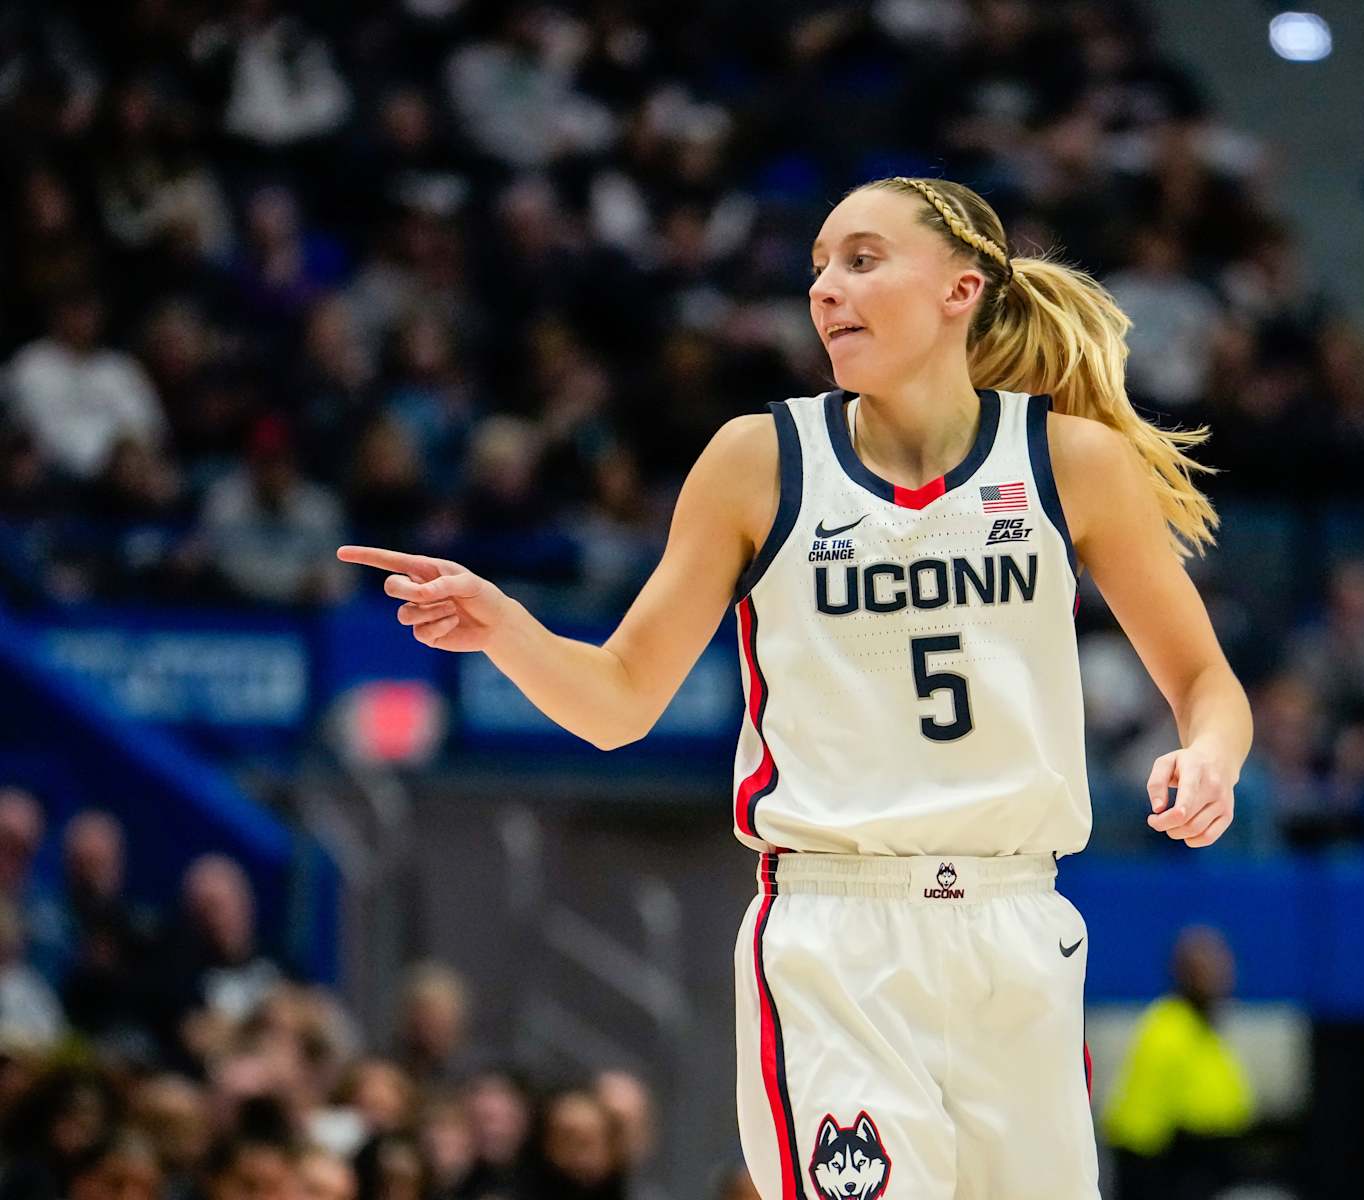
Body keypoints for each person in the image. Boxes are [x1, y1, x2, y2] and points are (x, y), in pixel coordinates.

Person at [338, 175, 1253, 1198]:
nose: (825, 289)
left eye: (861, 260)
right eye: (817, 267)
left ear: (963, 288)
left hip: (1019, 926)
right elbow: (619, 700)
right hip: (835, 934)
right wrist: (508, 629)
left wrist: (1209, 755)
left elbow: (1205, 679)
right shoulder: (759, 460)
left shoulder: (1067, 462)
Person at [1102, 927, 1254, 1198]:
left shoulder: (1202, 1028)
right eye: (1208, 967)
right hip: (1164, 1168)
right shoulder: (1168, 1029)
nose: (1222, 975)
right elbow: (1139, 1129)